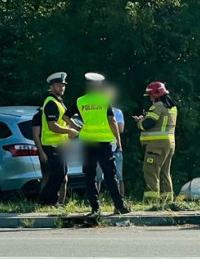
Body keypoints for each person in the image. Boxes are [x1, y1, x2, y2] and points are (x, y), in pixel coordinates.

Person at [75, 73, 130, 216]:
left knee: (90, 176)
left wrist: (79, 128)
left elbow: (66, 117)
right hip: (104, 143)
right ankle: (120, 205)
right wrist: (118, 141)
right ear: (98, 86)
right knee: (110, 176)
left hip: (87, 142)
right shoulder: (104, 100)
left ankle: (95, 208)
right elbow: (112, 122)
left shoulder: (80, 101)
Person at [37, 72, 79, 206]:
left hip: (59, 144)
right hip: (51, 144)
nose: (61, 88)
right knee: (58, 174)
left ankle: (49, 200)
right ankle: (47, 201)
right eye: (58, 85)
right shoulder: (51, 103)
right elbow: (52, 126)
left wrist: (77, 128)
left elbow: (65, 120)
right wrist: (69, 131)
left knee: (61, 173)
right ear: (51, 86)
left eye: (63, 85)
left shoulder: (58, 102)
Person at [135, 81, 177, 201]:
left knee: (150, 171)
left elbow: (148, 124)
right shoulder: (172, 107)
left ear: (156, 94)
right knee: (165, 173)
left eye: (150, 95)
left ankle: (151, 200)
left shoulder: (157, 106)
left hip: (156, 145)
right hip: (169, 144)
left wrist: (140, 122)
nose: (150, 98)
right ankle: (167, 200)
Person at [95, 84, 125, 198]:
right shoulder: (97, 111)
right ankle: (96, 200)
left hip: (115, 147)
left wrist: (109, 122)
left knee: (119, 177)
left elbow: (121, 129)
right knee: (97, 177)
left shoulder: (117, 112)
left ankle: (121, 199)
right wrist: (111, 125)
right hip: (100, 146)